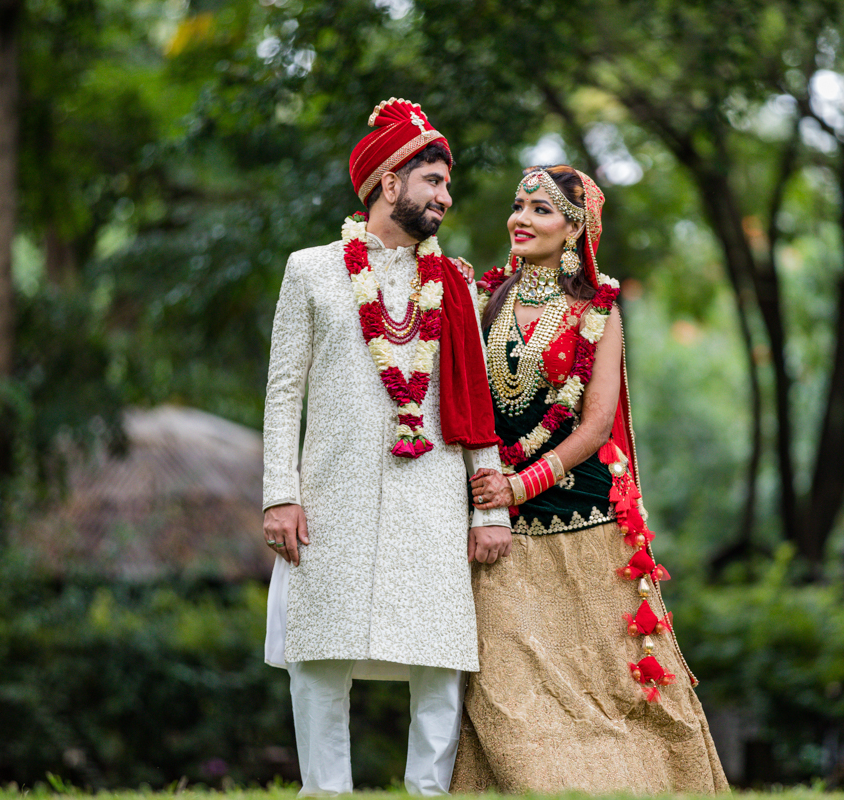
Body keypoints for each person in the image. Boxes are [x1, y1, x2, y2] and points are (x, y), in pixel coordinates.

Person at [261, 98, 512, 797]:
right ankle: (326, 793)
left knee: (439, 658)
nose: (446, 196)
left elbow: (475, 402)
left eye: (447, 184)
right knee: (320, 656)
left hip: (431, 493)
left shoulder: (454, 283)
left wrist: (489, 509)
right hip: (330, 495)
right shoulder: (311, 270)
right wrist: (280, 494)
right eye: (434, 180)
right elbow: (284, 392)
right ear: (389, 182)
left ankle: (428, 792)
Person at [451, 165, 729, 793]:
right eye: (518, 206)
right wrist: (494, 490)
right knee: (507, 685)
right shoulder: (482, 297)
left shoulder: (598, 310)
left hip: (584, 520)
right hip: (498, 529)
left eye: (540, 210)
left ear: (574, 228)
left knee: (614, 684)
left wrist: (521, 484)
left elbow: (597, 424)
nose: (520, 219)